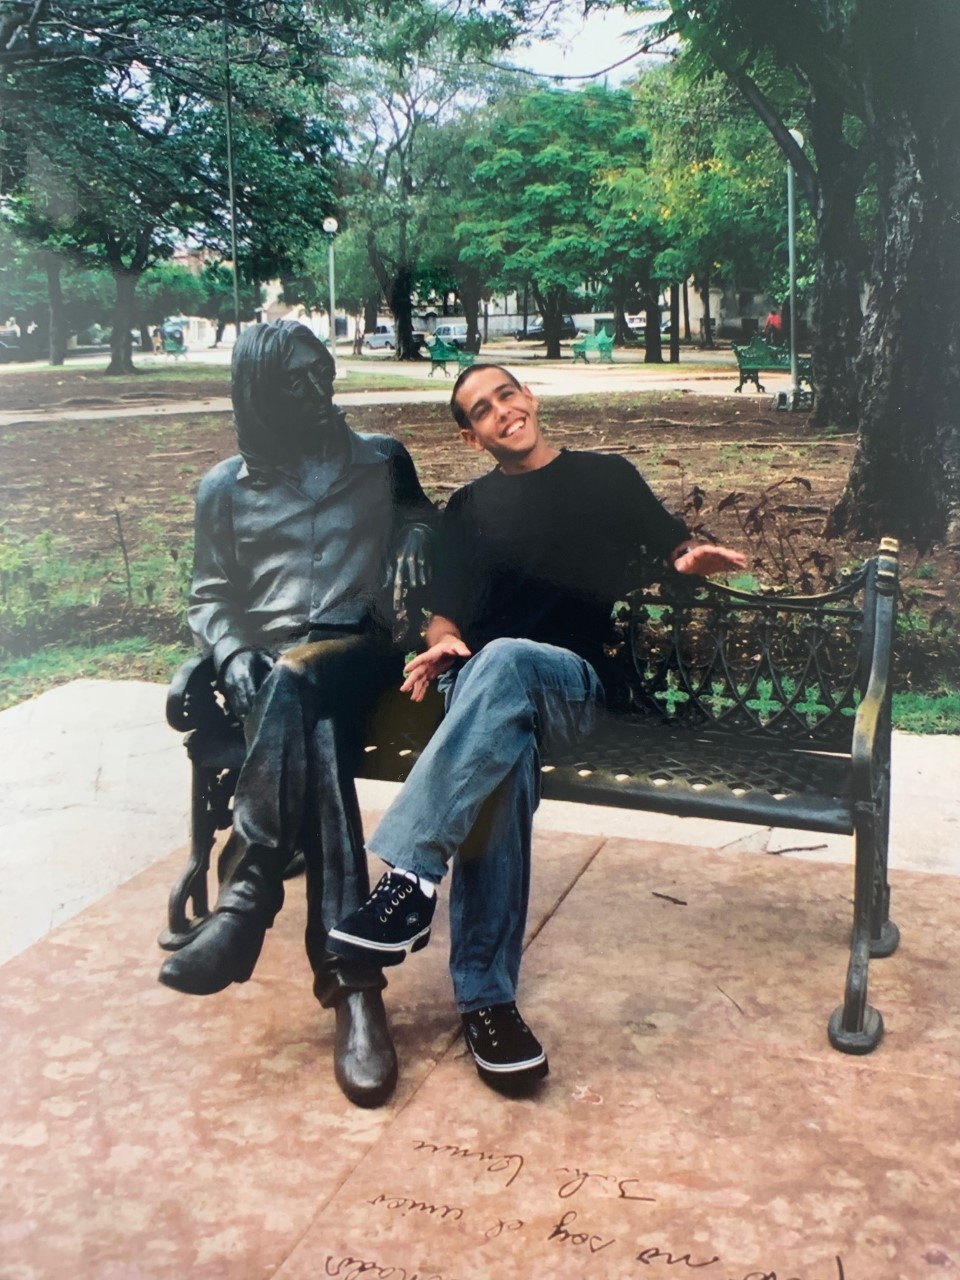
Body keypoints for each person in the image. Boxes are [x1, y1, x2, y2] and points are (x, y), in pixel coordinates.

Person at [326, 363, 747, 1094]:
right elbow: (447, 612)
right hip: (483, 695)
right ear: (470, 435)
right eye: (482, 410)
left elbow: (670, 547)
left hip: (573, 687)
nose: (501, 412)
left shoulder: (606, 478)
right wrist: (443, 640)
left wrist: (691, 560)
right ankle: (488, 1007)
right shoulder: (468, 508)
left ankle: (412, 877)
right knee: (500, 745)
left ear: (530, 398)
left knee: (509, 662)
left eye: (506, 395)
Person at [158, 319, 435, 1108]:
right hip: (279, 689)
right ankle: (353, 988)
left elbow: (422, 515)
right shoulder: (225, 489)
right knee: (301, 712)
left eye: (323, 373)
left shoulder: (379, 459)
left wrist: (416, 534)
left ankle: (247, 901)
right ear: (256, 391)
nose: (319, 393)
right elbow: (209, 596)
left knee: (303, 679)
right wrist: (230, 652)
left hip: (364, 662)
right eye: (295, 382)